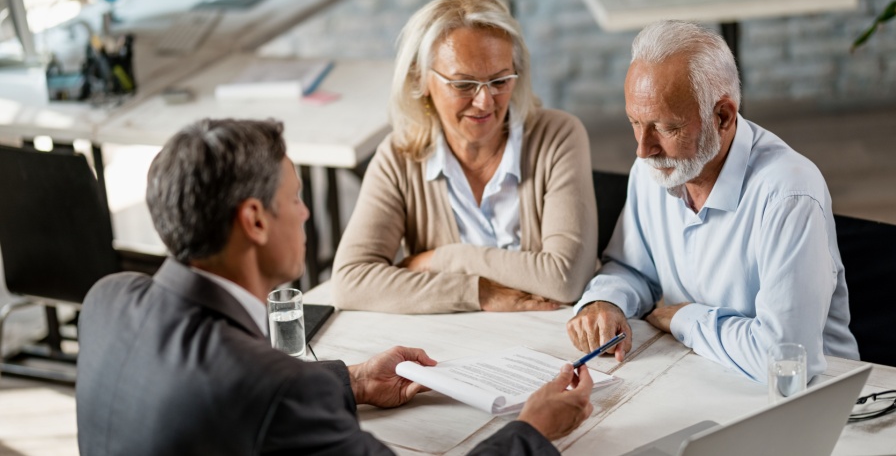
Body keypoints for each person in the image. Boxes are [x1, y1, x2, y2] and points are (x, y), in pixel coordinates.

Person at [75, 118, 595, 455]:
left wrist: (354, 380)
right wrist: (532, 431)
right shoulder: (276, 389)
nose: (305, 213)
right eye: (295, 198)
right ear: (254, 221)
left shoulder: (107, 301)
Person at [566, 20, 859, 383]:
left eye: (666, 127)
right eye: (635, 122)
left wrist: (684, 318)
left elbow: (786, 362)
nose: (643, 148)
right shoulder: (653, 169)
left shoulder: (789, 193)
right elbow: (632, 268)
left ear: (723, 116)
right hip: (703, 375)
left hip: (817, 402)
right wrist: (606, 302)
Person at [332, 0, 598, 314]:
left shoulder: (558, 136)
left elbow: (565, 279)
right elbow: (350, 282)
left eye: (500, 80)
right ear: (421, 79)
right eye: (463, 85)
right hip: (450, 346)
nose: (485, 101)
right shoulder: (399, 157)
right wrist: (478, 292)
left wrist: (445, 258)